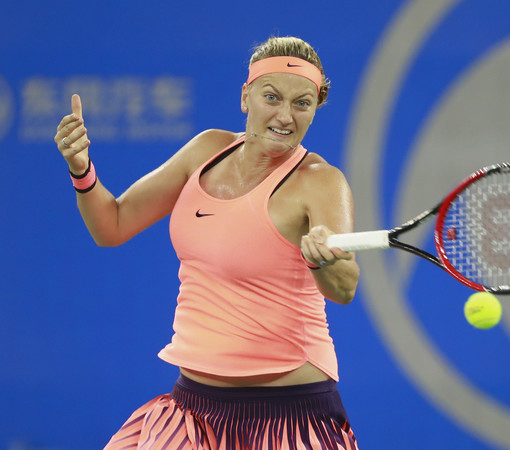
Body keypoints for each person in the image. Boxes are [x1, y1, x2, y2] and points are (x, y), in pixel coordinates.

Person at [55, 36, 360, 449]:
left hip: (289, 417)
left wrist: (324, 260)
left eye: (302, 104)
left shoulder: (322, 181)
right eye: (272, 97)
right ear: (245, 97)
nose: (285, 116)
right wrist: (82, 168)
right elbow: (112, 224)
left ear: (314, 110)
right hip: (190, 413)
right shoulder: (207, 149)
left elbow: (344, 287)